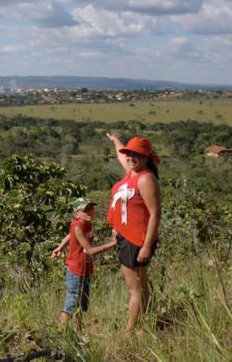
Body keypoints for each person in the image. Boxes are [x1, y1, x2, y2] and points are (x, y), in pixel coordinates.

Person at [106, 133, 162, 331]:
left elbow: (155, 214)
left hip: (136, 240)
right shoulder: (132, 172)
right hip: (127, 237)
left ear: (146, 157)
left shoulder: (145, 179)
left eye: (136, 154)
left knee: (134, 290)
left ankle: (128, 331)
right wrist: (115, 140)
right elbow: (122, 157)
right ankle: (144, 325)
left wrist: (146, 246)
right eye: (129, 154)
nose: (130, 157)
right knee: (141, 285)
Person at [51, 197, 117, 327]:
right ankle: (60, 329)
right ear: (77, 214)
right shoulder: (78, 227)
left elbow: (70, 235)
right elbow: (90, 250)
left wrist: (60, 247)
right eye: (86, 210)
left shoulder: (85, 224)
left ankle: (78, 328)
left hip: (85, 268)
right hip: (76, 271)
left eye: (91, 208)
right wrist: (114, 243)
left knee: (82, 302)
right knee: (72, 302)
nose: (90, 212)